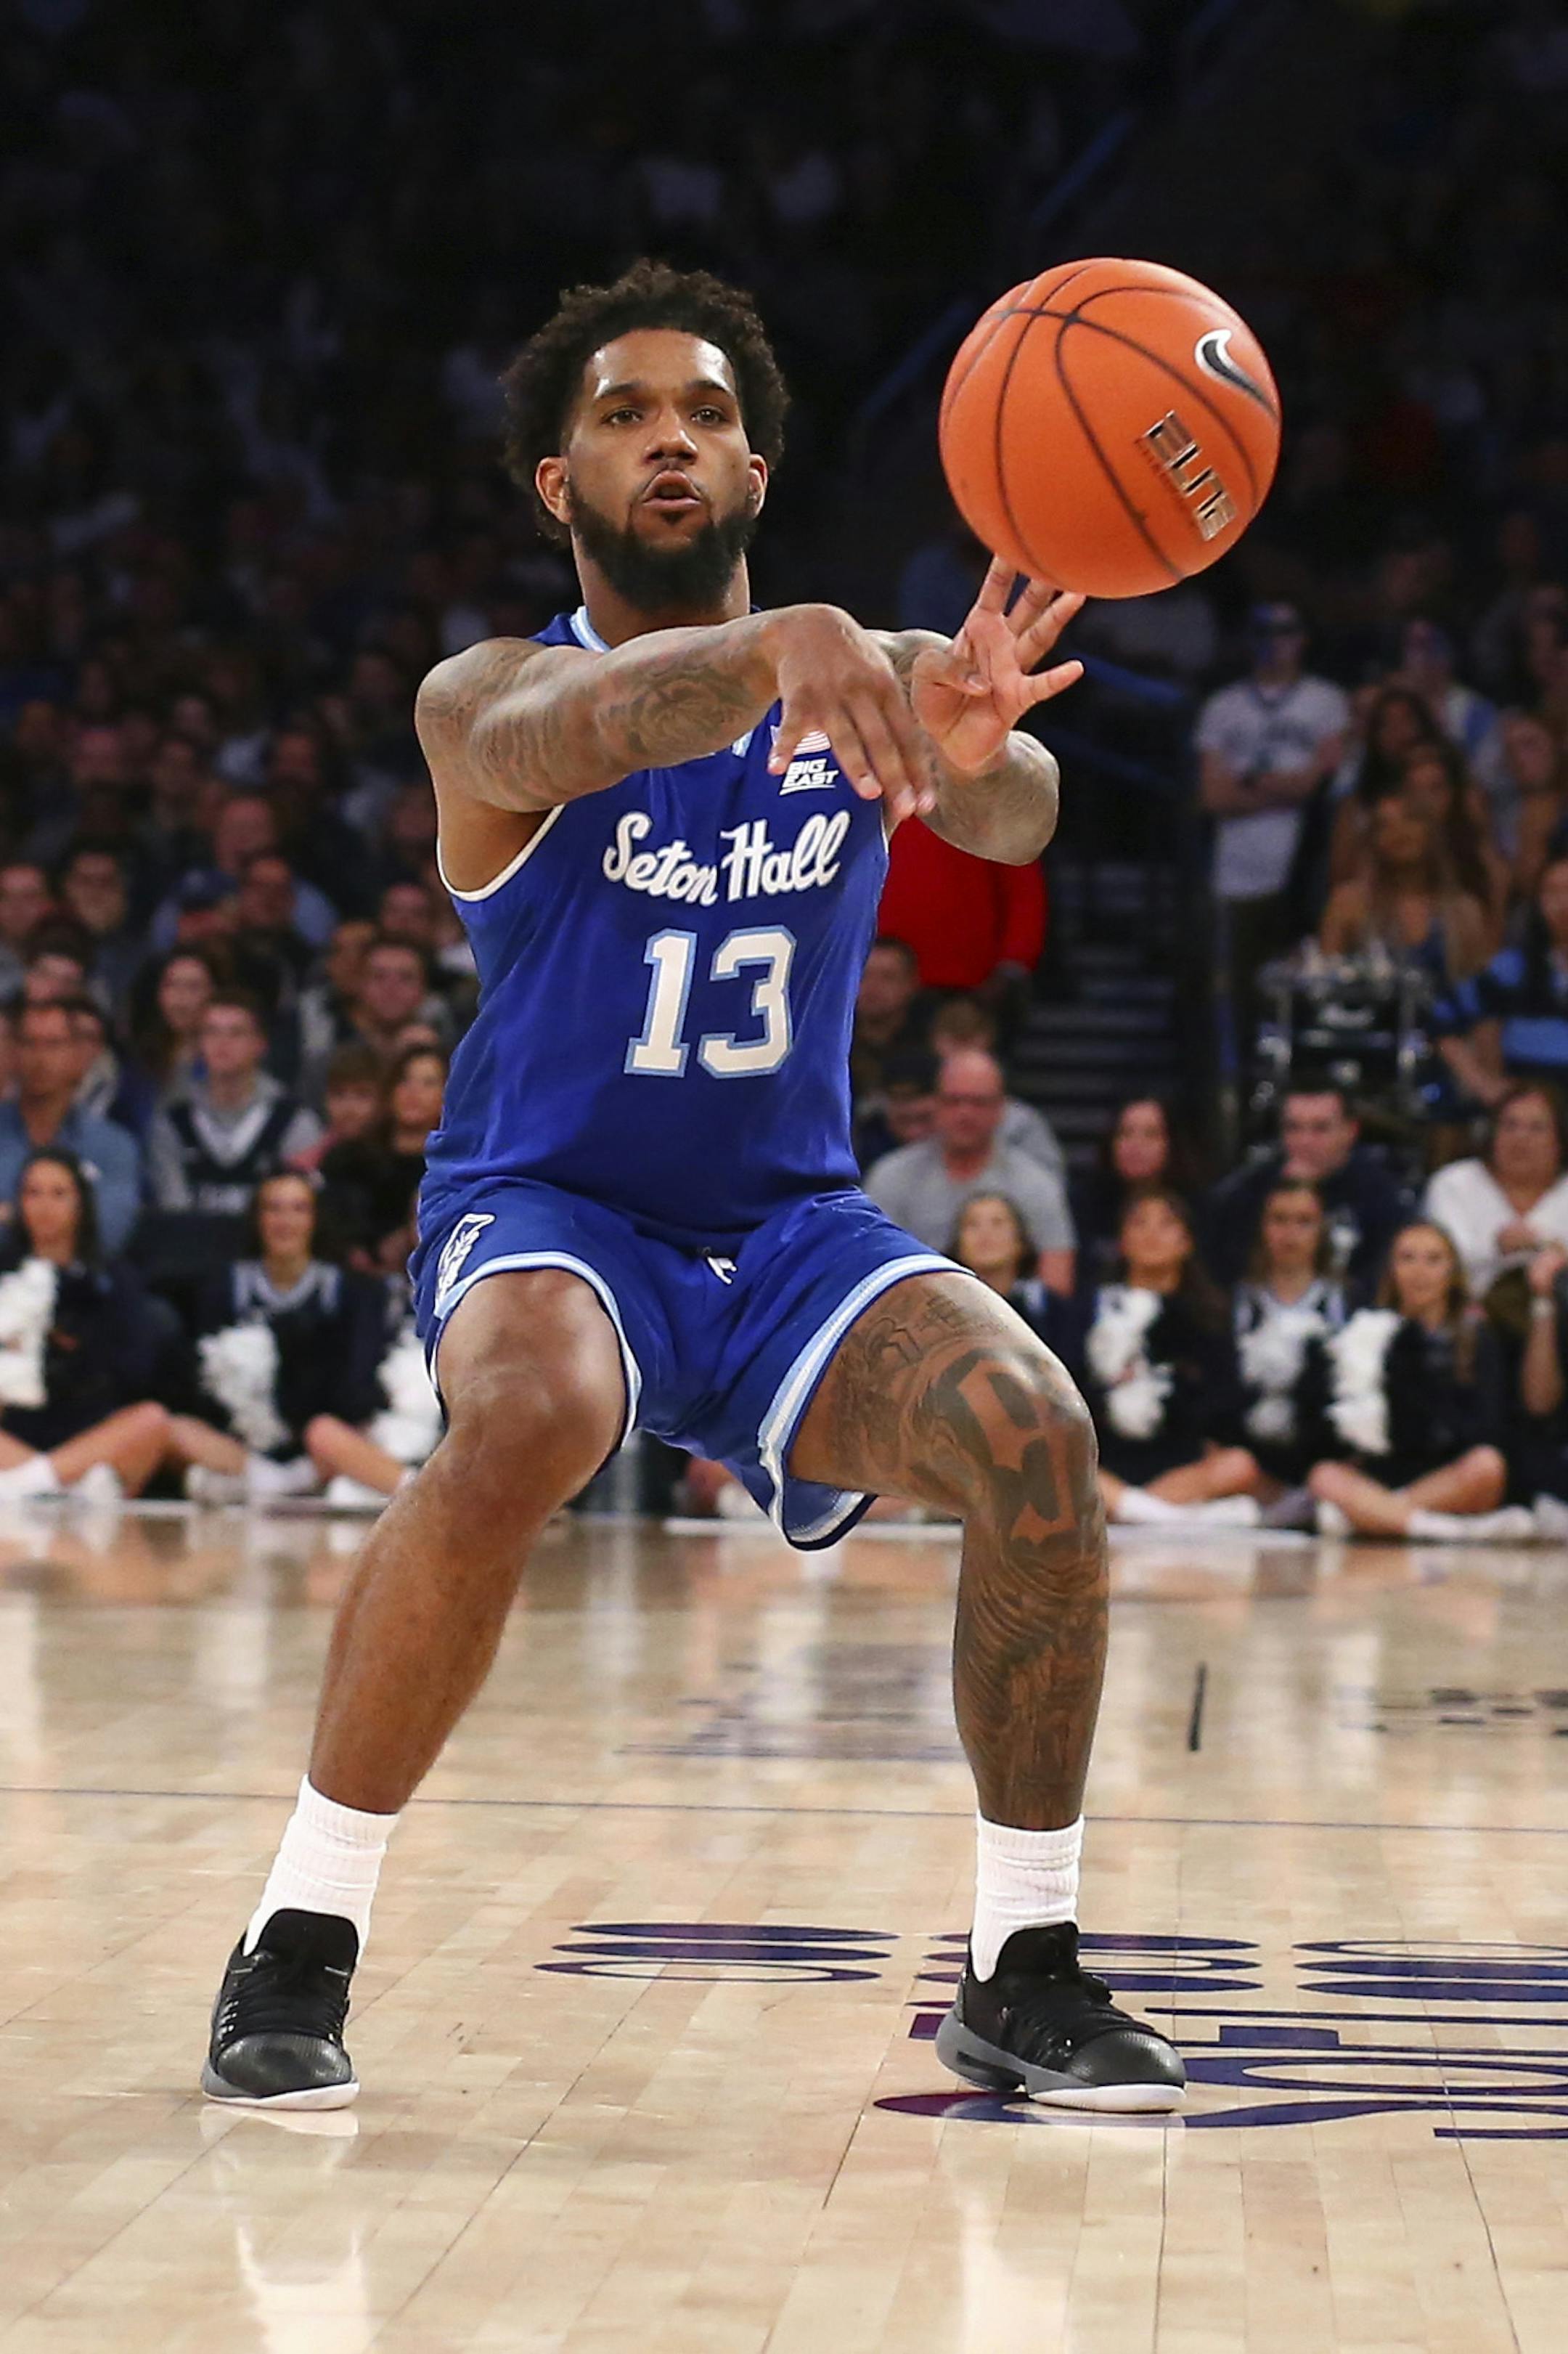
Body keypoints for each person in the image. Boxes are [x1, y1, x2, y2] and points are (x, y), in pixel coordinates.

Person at [201, 261, 1183, 2116]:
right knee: (527, 1415)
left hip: (791, 1229)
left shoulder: (858, 681)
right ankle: (301, 1933)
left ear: (755, 471)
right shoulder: (483, 697)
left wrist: (965, 753)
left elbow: (1024, 804)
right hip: (554, 1208)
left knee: (1037, 1434)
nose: (675, 437)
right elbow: (572, 737)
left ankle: (1020, 1964)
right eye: (627, 415)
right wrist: (776, 649)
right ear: (555, 484)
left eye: (712, 414)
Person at [164, 1170, 388, 1504]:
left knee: (337, 1434)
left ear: (317, 1219)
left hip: (323, 1439)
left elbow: (358, 1383)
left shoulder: (351, 1290)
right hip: (243, 1445)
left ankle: (290, 1482)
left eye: (299, 1209)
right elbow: (200, 1381)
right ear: (257, 1218)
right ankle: (272, 1482)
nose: (285, 1221)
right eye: (273, 1209)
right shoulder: (223, 1286)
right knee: (172, 1428)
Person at [1306, 1221, 1528, 1541]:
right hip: (1386, 1471)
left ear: (1452, 1271)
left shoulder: (1475, 1336)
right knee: (1323, 1475)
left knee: (1487, 1466)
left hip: (1449, 1474)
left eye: (1433, 1259)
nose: (1419, 1271)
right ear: (1391, 1268)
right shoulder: (1369, 1332)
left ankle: (1378, 1516)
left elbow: (1488, 1425)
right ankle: (1440, 1529)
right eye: (1407, 1258)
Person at [1196, 602, 1349, 1022]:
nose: (1274, 642)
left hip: (1305, 869)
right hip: (1236, 873)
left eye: (1285, 631)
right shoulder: (1223, 706)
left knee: (1302, 991)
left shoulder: (1327, 701)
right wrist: (1287, 787)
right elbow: (1213, 796)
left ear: (1303, 639)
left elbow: (1321, 783)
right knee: (1239, 994)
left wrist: (1250, 783)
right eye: (1263, 632)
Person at [1082, 1189, 1262, 1528]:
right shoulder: (1089, 1313)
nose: (1152, 1234)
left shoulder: (1208, 1318)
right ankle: (1172, 1519)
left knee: (1241, 1464)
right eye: (1139, 1223)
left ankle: (1130, 1513)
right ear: (1122, 1240)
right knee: (1057, 1469)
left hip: (1182, 1466)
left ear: (1186, 1242)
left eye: (1166, 1224)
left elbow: (1224, 1404)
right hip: (1106, 1463)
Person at [0, 1149, 170, 1503]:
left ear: (81, 1203)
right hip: (12, 1430)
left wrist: (72, 1351)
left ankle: (31, 1484)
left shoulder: (112, 1278)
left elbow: (134, 1368)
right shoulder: (4, 1271)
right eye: (33, 1193)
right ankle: (64, 1485)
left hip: (88, 1429)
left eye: (59, 1193)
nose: (45, 1205)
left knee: (152, 1421)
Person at [864, 1048, 1076, 1290]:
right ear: (936, 1105)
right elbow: (866, 1269)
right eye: (954, 1101)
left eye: (979, 1103)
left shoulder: (1035, 1183)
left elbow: (1056, 1286)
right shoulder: (891, 1176)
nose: (965, 1114)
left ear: (1001, 1109)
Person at [1203, 1080, 1408, 1292]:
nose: (1305, 1141)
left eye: (1320, 1128)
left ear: (1351, 1130)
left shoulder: (1381, 1196)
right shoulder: (1246, 1193)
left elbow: (1387, 1278)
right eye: (1294, 1128)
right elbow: (1226, 1271)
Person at [146, 990, 322, 1215]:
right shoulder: (172, 1122)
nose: (222, 1043)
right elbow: (173, 1211)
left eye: (236, 1033)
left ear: (260, 1044)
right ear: (199, 1043)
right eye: (212, 1032)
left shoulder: (294, 1121)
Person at [0, 1000, 143, 1253]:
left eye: (53, 1044)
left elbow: (108, 1234)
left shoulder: (112, 1145)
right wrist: (65, 1218)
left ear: (78, 1056)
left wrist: (12, 1215)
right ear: (12, 1053)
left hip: (81, 1286)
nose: (40, 1057)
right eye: (29, 1043)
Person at [1230, 1180, 1344, 1491]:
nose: (1290, 1233)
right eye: (1279, 1220)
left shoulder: (1346, 1301)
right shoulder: (1235, 1301)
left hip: (1320, 1457)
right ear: (1262, 1227)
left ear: (1322, 1230)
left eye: (1304, 1221)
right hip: (1248, 1455)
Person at [1317, 784, 1490, 986]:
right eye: (1385, 824)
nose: (1399, 831)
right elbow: (1322, 986)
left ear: (1431, 830)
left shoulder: (1464, 911)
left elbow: (1482, 992)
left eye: (1410, 819)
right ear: (1373, 840)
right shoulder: (1348, 904)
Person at [1437, 855, 1568, 1106]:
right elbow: (1442, 1022)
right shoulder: (1511, 969)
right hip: (1531, 1115)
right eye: (1552, 893)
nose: (1563, 904)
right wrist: (1484, 1085)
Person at [1422, 1083, 1568, 1296]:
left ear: (1560, 1140)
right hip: (1465, 1319)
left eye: (1537, 1128)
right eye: (1510, 1125)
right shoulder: (1454, 1184)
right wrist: (1495, 1248)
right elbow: (1434, 1264)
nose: (1521, 1138)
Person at [319, 1043, 446, 1272]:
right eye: (404, 1080)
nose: (413, 1092)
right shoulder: (346, 1160)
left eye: (428, 1083)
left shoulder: (455, 1168)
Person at [1071, 1096, 1199, 1288]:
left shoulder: (1198, 1206)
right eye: (1125, 1133)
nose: (1136, 1145)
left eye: (1151, 1134)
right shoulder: (1083, 1205)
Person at [950, 1192, 1085, 1364]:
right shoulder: (940, 1310)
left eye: (998, 1223)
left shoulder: (1049, 1310)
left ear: (1021, 1242)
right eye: (972, 1225)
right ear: (958, 1245)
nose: (985, 1233)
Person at [848, 934, 928, 1104]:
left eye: (888, 977)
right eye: (864, 976)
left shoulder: (930, 1047)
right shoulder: (834, 1046)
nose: (873, 987)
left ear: (910, 984)